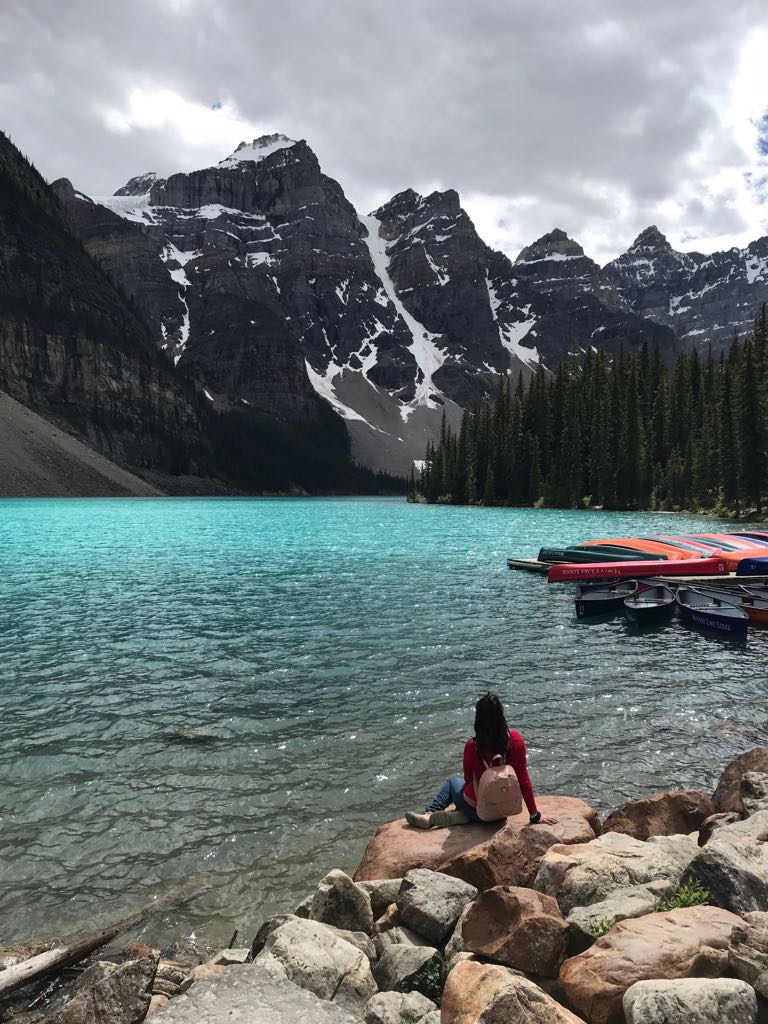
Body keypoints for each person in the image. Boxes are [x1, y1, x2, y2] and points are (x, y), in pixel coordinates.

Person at [405, 692, 557, 829]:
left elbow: (468, 780)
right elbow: (523, 780)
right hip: (504, 810)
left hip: (480, 810)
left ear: (478, 720)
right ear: (501, 717)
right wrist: (534, 815)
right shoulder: (516, 741)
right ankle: (463, 816)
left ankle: (431, 814)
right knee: (471, 791)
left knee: (452, 782)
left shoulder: (473, 746)